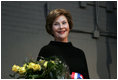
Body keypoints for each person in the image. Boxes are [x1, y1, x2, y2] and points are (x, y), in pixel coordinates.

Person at [37, 9, 90, 79]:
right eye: (56, 24)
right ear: (51, 28)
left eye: (64, 23)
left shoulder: (80, 53)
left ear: (69, 25)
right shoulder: (46, 51)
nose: (61, 27)